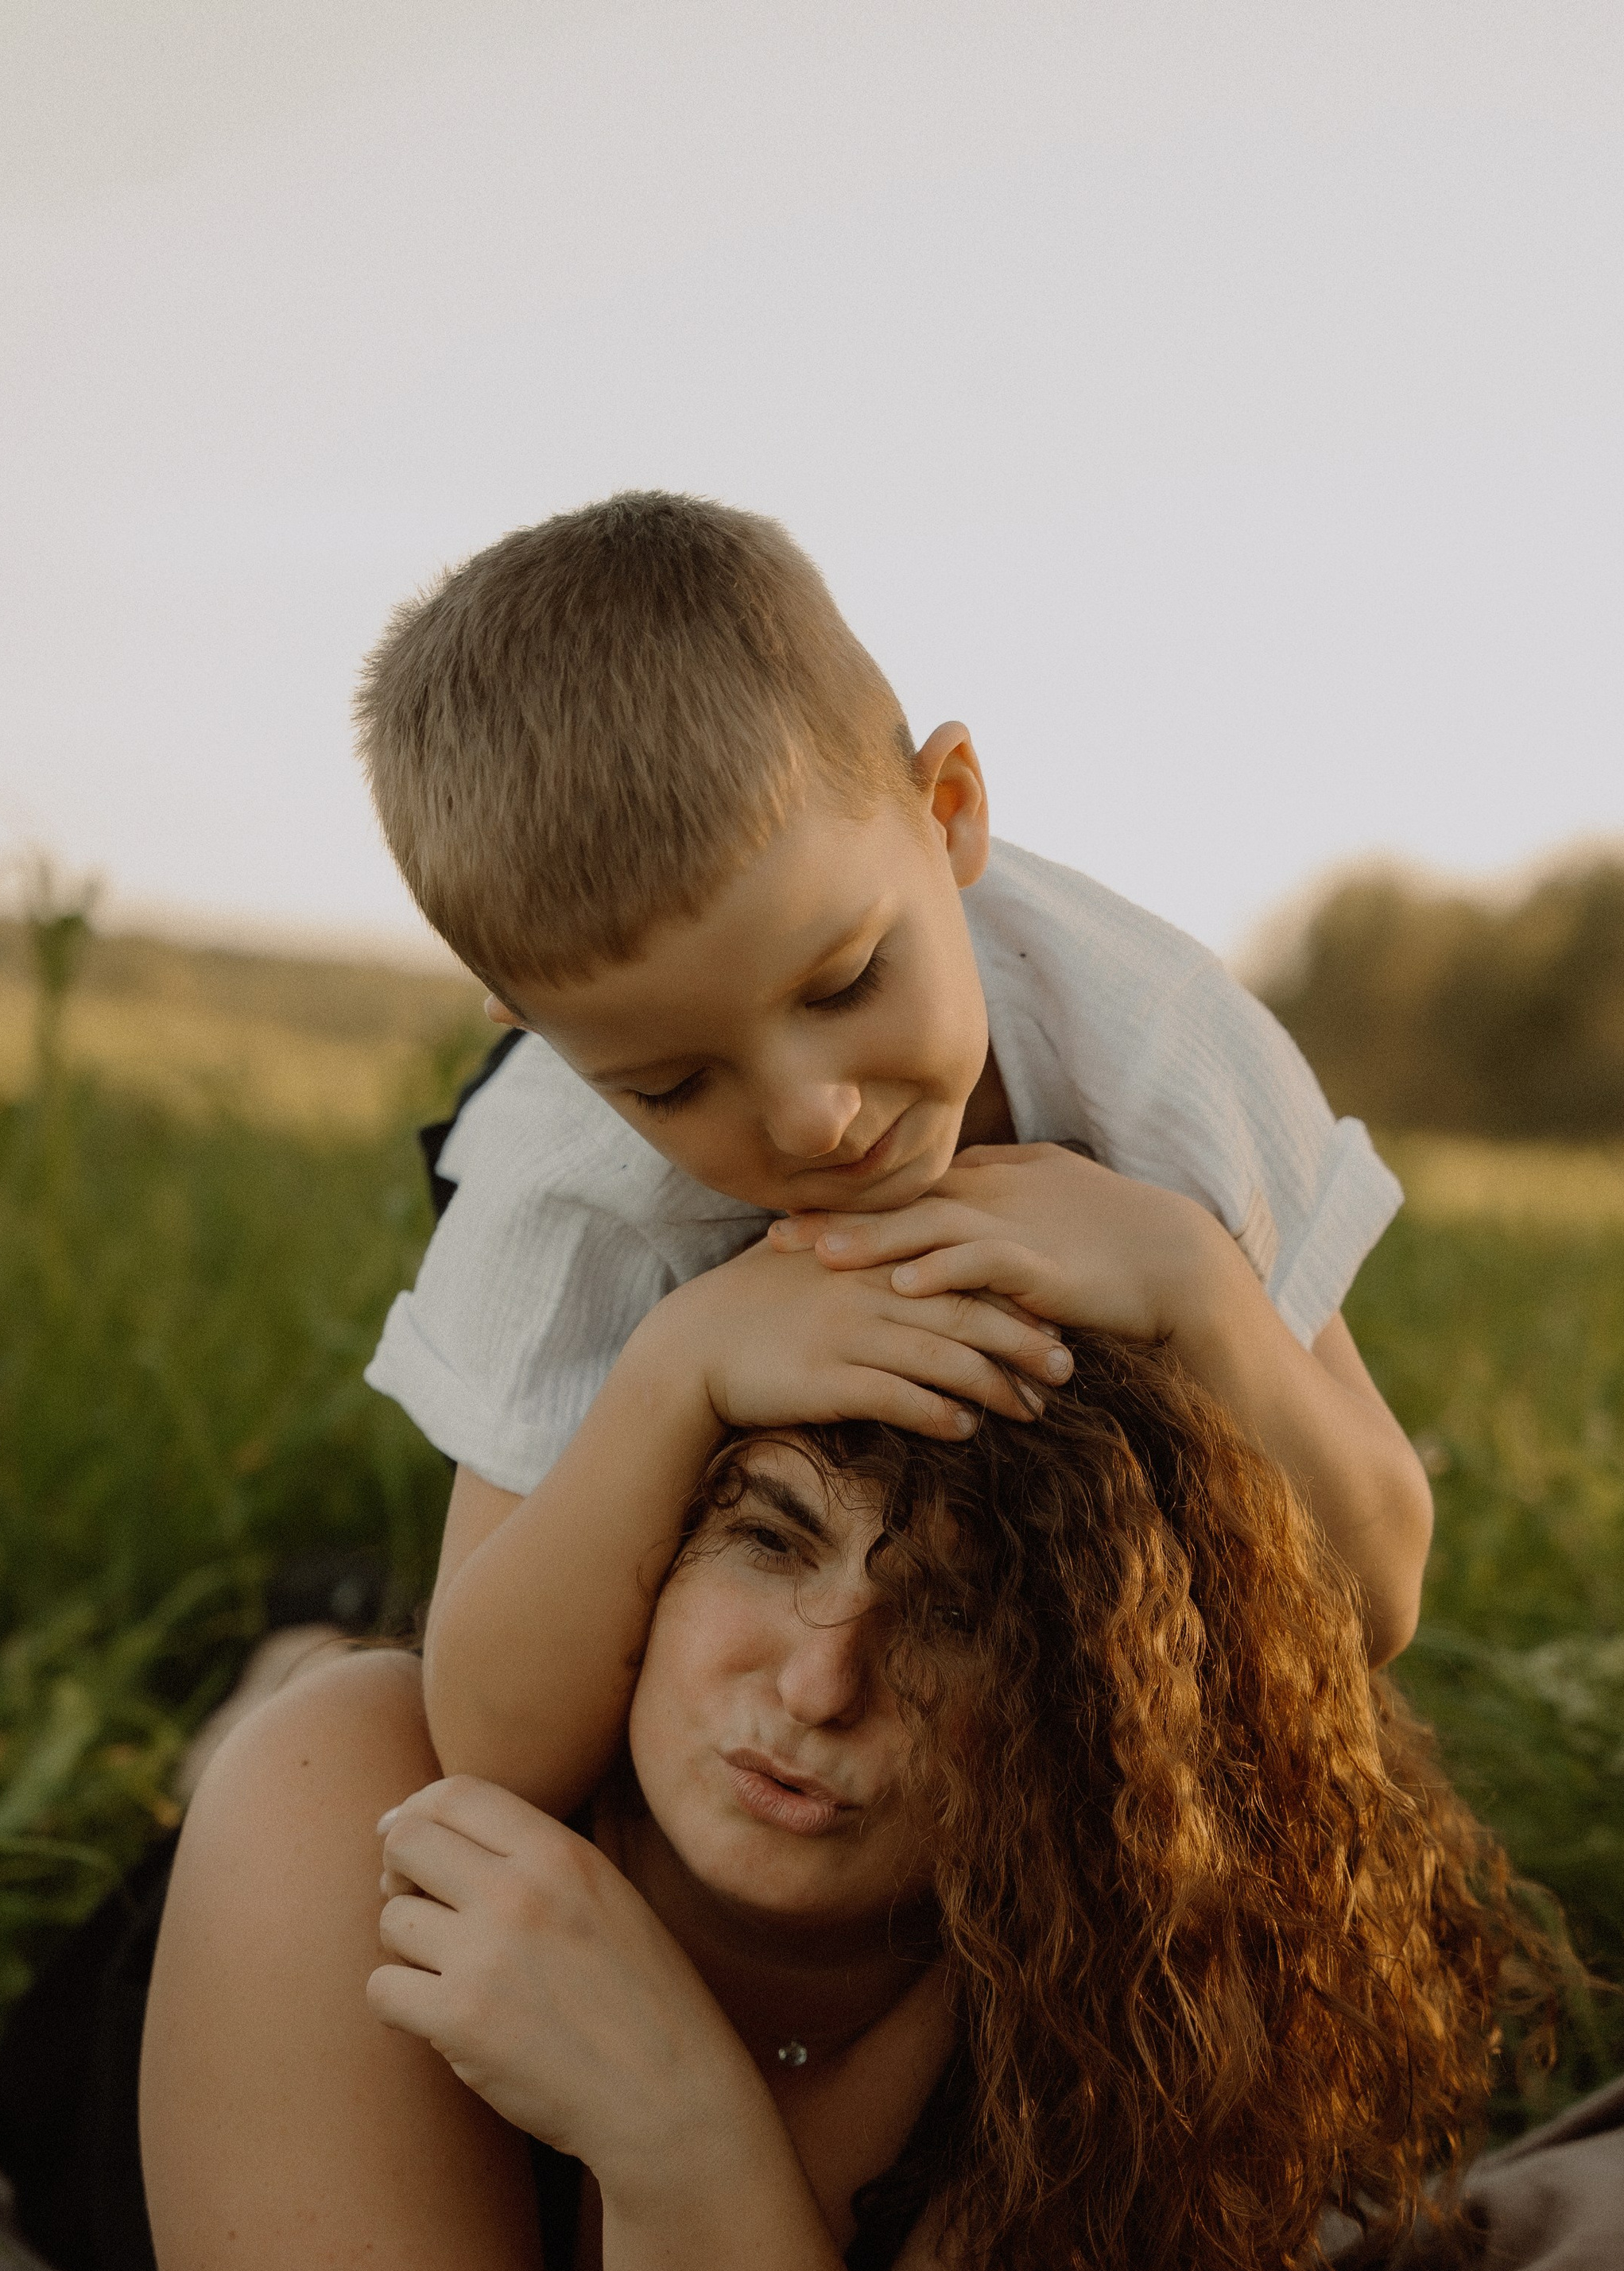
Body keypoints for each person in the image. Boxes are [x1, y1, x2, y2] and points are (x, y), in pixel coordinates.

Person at [140, 1338, 1551, 2271]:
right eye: (767, 1538)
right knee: (293, 1720)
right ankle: (272, 1667)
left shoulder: (1191, 1967)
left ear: (1106, 1687)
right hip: (222, 1939)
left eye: (956, 1610)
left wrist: (681, 2142)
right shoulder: (357, 1800)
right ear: (646, 1557)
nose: (820, 1683)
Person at [354, 491, 1436, 1823]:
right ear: (544, 1039)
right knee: (397, 1662)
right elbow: (493, 1744)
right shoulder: (572, 1175)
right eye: (676, 1083)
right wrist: (680, 1369)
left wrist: (1194, 1281)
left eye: (848, 980)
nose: (812, 1120)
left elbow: (1375, 1597)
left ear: (952, 809)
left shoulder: (1157, 1054)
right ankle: (301, 1642)